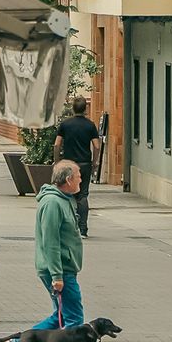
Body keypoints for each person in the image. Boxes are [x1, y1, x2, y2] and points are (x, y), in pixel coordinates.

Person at [7, 159, 85, 342]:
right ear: (68, 179)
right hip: (59, 269)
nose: (81, 179)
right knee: (74, 318)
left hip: (64, 267)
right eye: (78, 175)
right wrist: (57, 276)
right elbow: (50, 242)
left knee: (60, 315)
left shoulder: (65, 199)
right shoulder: (52, 203)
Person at [53, 97, 102, 237]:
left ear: (73, 108)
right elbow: (97, 146)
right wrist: (95, 161)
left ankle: (69, 227)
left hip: (68, 164)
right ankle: (83, 229)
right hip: (85, 163)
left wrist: (57, 162)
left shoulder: (65, 125)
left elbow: (57, 144)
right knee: (83, 195)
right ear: (85, 108)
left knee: (67, 195)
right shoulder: (90, 126)